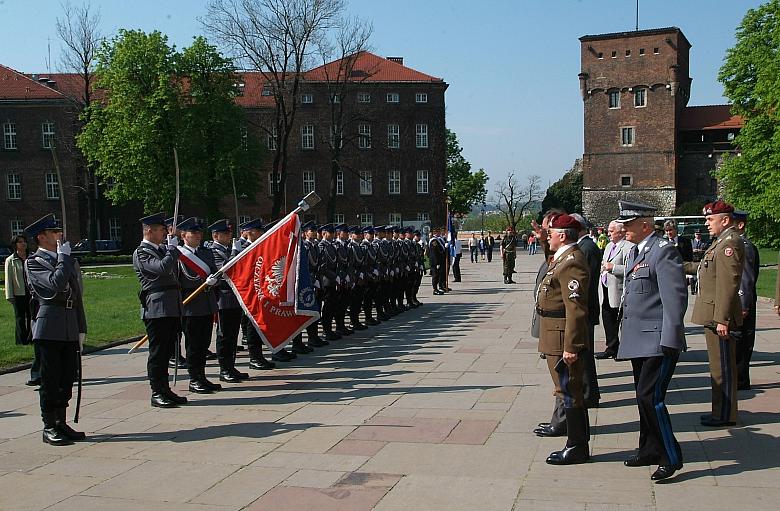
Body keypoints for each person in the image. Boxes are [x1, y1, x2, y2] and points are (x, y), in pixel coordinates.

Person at [618, 200, 687, 481]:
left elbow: (675, 299)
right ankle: (648, 448)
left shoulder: (663, 251)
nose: (623, 230)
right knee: (642, 398)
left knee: (651, 399)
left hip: (658, 341)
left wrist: (670, 338)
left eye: (628, 225)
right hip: (638, 340)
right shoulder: (638, 251)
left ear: (645, 224)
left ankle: (670, 456)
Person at [24, 214, 87, 445]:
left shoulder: (65, 260)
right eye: (53, 232)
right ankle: (49, 425)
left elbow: (76, 295)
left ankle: (61, 421)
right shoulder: (33, 263)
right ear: (41, 238)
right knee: (50, 379)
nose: (59, 235)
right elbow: (55, 284)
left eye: (58, 231)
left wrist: (81, 327)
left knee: (67, 377)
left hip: (69, 324)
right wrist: (63, 259)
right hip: (48, 325)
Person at [534, 213, 590, 465]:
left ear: (563, 235)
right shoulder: (563, 258)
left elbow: (575, 308)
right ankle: (574, 440)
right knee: (565, 388)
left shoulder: (571, 262)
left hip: (561, 335)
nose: (549, 236)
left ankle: (577, 446)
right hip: (553, 331)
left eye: (552, 232)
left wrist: (571, 346)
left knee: (570, 390)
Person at [683, 201, 745, 427]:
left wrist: (722, 319)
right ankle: (719, 411)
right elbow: (704, 269)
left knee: (724, 369)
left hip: (719, 317)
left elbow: (729, 284)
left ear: (725, 220)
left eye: (710, 219)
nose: (707, 224)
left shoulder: (730, 243)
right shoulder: (720, 242)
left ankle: (726, 414)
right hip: (712, 314)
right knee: (717, 367)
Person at [133, 213, 188, 409]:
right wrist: (171, 249)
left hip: (171, 306)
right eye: (161, 230)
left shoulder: (162, 249)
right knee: (157, 352)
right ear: (149, 231)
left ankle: (165, 389)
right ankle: (157, 391)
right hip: (156, 308)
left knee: (166, 351)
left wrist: (170, 248)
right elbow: (163, 268)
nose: (165, 233)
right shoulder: (142, 252)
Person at [176, 217, 222, 394]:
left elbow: (215, 273)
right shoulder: (178, 255)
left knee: (203, 344)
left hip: (207, 304)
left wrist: (213, 281)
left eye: (199, 232)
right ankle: (194, 379)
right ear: (183, 235)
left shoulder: (206, 253)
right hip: (191, 306)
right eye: (193, 233)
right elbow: (180, 280)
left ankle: (202, 376)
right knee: (193, 345)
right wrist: (202, 283)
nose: (198, 236)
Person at [208, 219, 250, 384]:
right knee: (224, 335)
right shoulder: (213, 251)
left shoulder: (227, 249)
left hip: (235, 297)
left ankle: (231, 366)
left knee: (233, 334)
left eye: (229, 233)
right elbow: (224, 270)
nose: (229, 236)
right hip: (223, 298)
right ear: (216, 235)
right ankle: (224, 369)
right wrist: (234, 253)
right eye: (225, 233)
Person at [569, 213, 601, 409]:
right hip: (586, 308)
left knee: (585, 355)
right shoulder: (585, 247)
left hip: (585, 309)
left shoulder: (586, 248)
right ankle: (589, 391)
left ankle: (589, 394)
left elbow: (585, 284)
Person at [596, 221, 633, 359]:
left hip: (619, 290)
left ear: (621, 231)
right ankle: (611, 346)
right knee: (607, 319)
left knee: (620, 320)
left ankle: (624, 349)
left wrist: (614, 268)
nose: (608, 233)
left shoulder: (628, 247)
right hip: (606, 288)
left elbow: (632, 269)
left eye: (611, 231)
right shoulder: (609, 246)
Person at [6, 234, 39, 385]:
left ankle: (32, 337)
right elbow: (9, 279)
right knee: (20, 316)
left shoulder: (31, 257)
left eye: (24, 241)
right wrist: (10, 295)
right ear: (15, 245)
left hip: (31, 292)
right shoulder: (11, 260)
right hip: (19, 292)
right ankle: (21, 339)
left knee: (32, 315)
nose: (23, 244)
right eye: (20, 242)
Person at [732, 210, 759, 390]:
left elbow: (746, 277)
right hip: (737, 302)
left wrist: (743, 304)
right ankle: (738, 380)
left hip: (742, 303)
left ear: (740, 225)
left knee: (741, 344)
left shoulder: (744, 246)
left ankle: (740, 381)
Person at [428, 227, 446, 295]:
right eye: (437, 232)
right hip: (435, 262)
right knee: (435, 276)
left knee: (439, 275)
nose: (439, 233)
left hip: (439, 261)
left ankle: (440, 286)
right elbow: (434, 253)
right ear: (434, 233)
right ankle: (435, 289)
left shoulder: (438, 239)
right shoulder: (434, 241)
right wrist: (437, 262)